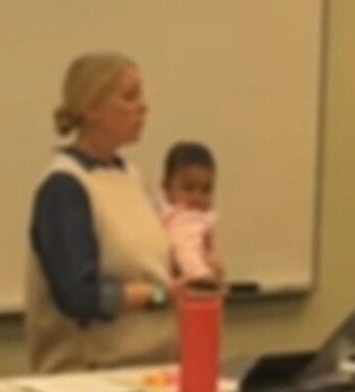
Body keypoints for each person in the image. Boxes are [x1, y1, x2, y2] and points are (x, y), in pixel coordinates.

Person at [25, 52, 176, 373]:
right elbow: (79, 297)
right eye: (130, 97)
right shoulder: (65, 187)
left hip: (153, 368)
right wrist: (161, 296)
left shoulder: (130, 176)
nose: (143, 108)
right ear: (91, 108)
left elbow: (150, 268)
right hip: (90, 375)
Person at [159, 142, 222, 283]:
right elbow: (183, 248)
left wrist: (214, 267)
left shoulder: (204, 218)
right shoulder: (177, 217)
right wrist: (200, 274)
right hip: (188, 278)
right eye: (188, 188)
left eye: (206, 190)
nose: (197, 197)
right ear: (167, 188)